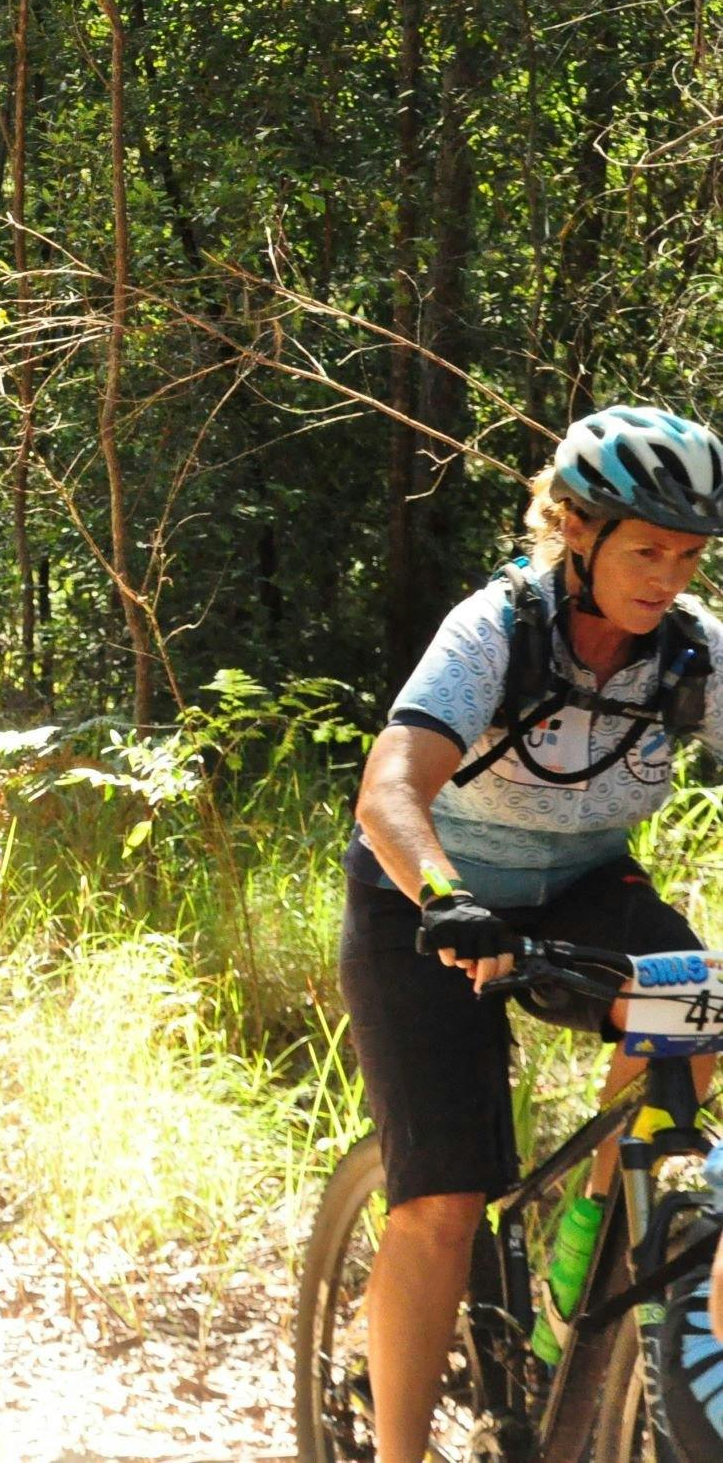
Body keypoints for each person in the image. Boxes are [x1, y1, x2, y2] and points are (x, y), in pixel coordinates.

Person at [343, 406, 723, 1463]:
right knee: (445, 1201)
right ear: (574, 527)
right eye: (648, 550)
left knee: (696, 1009)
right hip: (425, 896)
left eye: (689, 555)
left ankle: (584, 1269)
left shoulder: (693, 654)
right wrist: (447, 901)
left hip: (588, 886)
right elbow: (390, 793)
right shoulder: (495, 630)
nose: (669, 577)